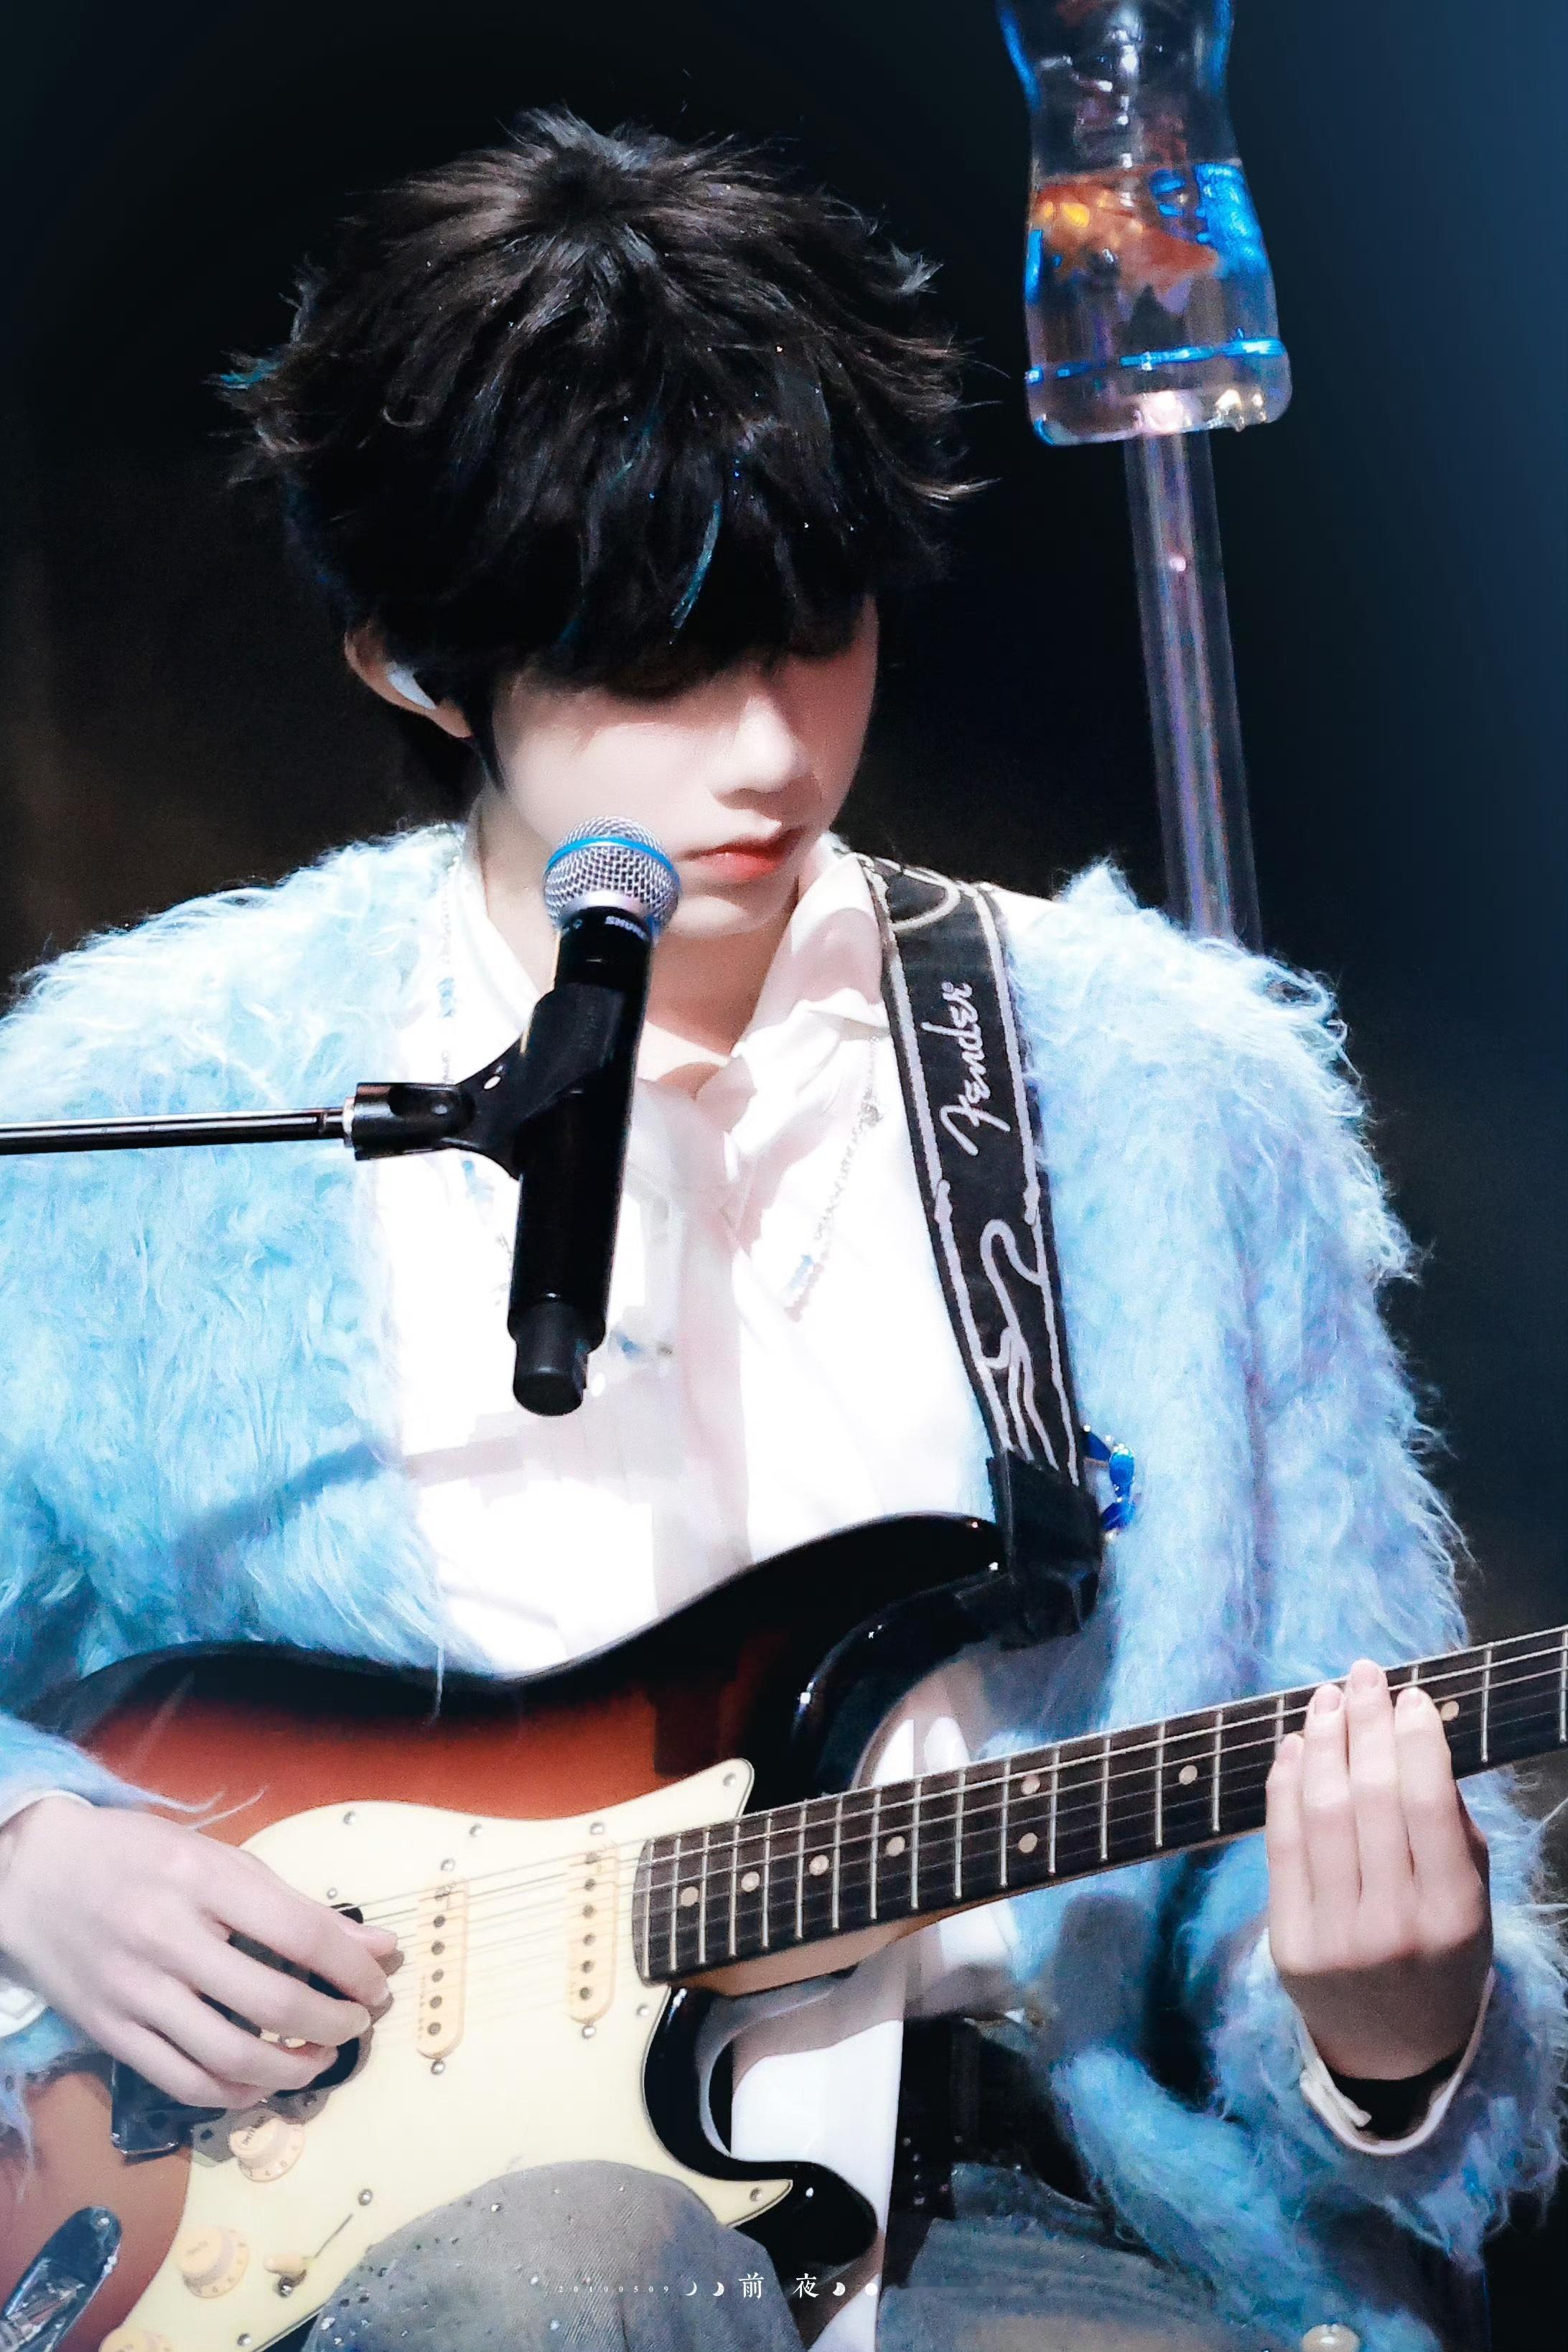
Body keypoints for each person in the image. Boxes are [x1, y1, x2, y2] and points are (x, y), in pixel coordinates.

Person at [0, 110, 1560, 2352]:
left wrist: (1393, 2033)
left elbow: (1321, 1840)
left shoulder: (1158, 1097)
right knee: (555, 2292)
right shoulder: (143, 1099)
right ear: (416, 659)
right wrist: (36, 1856)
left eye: (812, 627)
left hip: (1016, 2210)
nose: (763, 750)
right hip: (362, 2234)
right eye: (653, 664)